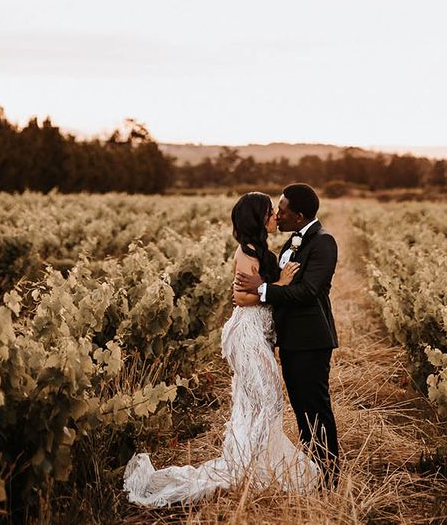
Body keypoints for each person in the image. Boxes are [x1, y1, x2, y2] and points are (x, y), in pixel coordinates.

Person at [123, 192, 319, 506]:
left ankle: (256, 464)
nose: (274, 217)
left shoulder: (258, 249)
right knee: (266, 400)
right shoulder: (246, 253)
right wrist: (280, 284)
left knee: (262, 401)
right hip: (248, 334)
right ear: (258, 218)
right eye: (269, 212)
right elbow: (241, 298)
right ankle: (249, 468)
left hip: (259, 334)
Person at [233, 183, 339, 486]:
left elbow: (307, 291)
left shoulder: (323, 243)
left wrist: (262, 289)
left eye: (282, 209)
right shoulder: (292, 242)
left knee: (316, 409)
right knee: (302, 411)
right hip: (291, 340)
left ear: (300, 215)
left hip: (311, 341)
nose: (277, 215)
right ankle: (311, 473)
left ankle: (329, 477)